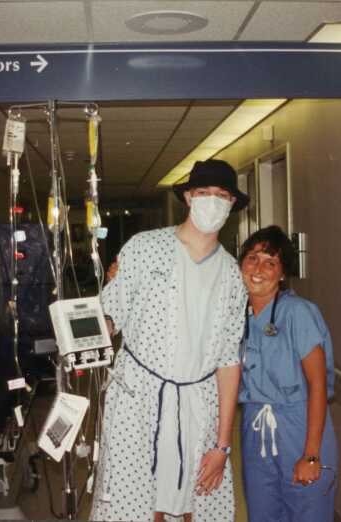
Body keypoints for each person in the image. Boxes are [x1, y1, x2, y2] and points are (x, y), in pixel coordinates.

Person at [90, 159, 250, 521]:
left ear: (232, 205)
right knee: (139, 507)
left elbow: (228, 361)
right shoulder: (144, 248)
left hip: (199, 404)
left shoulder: (230, 275)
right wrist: (87, 327)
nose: (212, 201)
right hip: (139, 401)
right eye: (204, 193)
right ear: (189, 198)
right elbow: (110, 317)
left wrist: (222, 445)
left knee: (198, 502)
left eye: (222, 195)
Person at [234, 225, 338, 521]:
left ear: (282, 274)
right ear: (241, 263)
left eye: (270, 262)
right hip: (255, 428)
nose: (259, 269)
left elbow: (317, 386)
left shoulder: (298, 313)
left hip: (300, 426)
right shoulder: (235, 315)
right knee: (263, 513)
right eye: (252, 258)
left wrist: (311, 454)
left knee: (307, 511)